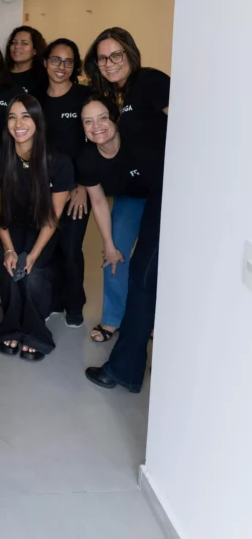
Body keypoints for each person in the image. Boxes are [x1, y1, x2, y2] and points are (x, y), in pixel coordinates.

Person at [78, 96, 164, 393]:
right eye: (88, 121)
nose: (96, 126)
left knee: (152, 265)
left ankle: (151, 322)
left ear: (115, 119)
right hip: (129, 200)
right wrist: (109, 243)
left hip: (159, 196)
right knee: (113, 257)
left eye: (102, 118)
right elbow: (99, 201)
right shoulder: (87, 158)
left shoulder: (136, 142)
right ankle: (112, 319)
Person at [0, 95, 73, 360]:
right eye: (12, 117)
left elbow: (53, 217)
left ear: (38, 121)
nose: (18, 123)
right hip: (7, 226)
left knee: (33, 275)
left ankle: (34, 331)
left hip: (41, 228)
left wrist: (32, 254)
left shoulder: (58, 161)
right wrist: (8, 250)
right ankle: (10, 327)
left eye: (26, 116)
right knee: (10, 272)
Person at [39, 38, 91, 327]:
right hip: (43, 188)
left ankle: (74, 303)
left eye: (68, 61)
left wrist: (83, 185)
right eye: (56, 60)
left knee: (71, 249)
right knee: (48, 248)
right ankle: (52, 300)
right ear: (45, 63)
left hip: (76, 191)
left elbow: (92, 142)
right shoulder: (36, 100)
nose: (61, 67)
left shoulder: (85, 97)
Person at [83, 27, 170, 147]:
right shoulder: (109, 93)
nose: (109, 64)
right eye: (102, 58)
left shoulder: (151, 80)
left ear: (130, 54)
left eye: (116, 55)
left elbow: (185, 121)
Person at [5, 26, 48, 97]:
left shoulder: (43, 78)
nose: (17, 46)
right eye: (14, 42)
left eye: (24, 43)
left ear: (35, 50)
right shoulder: (1, 73)